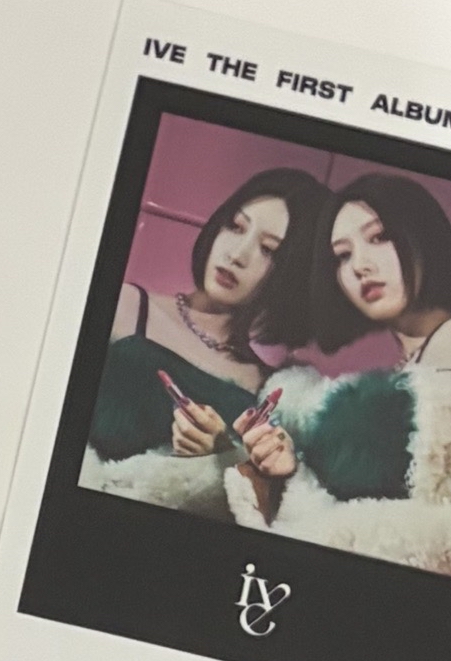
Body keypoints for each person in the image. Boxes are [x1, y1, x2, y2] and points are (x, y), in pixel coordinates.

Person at [220, 174, 451, 577]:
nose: (360, 266)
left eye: (378, 237)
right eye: (342, 256)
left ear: (422, 237)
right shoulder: (415, 359)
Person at [81, 168, 326, 518]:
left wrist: (219, 457)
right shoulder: (125, 307)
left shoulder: (271, 388)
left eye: (268, 250)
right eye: (235, 227)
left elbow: (260, 511)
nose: (236, 254)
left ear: (293, 274)